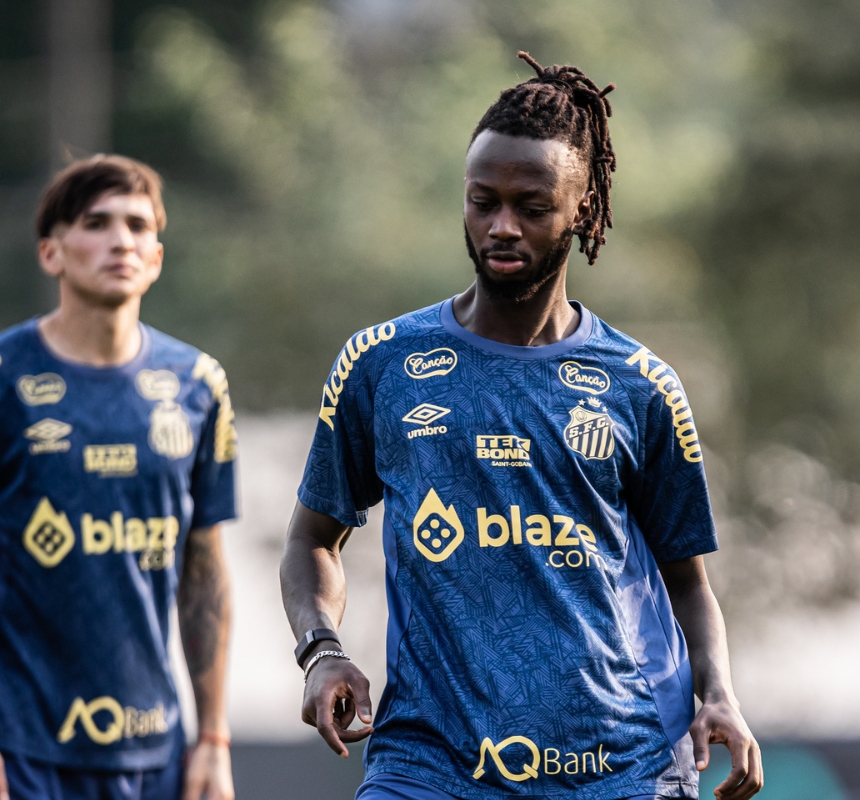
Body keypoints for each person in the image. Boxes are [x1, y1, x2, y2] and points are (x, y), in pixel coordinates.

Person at [280, 52, 763, 800]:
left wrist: (720, 693)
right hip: (429, 763)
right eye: (483, 201)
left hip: (619, 765)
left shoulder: (640, 385)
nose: (501, 226)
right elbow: (313, 539)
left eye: (532, 207)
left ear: (582, 210)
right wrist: (322, 651)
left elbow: (688, 585)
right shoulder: (381, 364)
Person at [0, 155, 238, 800]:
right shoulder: (5, 378)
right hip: (23, 750)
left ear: (156, 257)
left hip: (155, 750)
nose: (120, 240)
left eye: (137, 225)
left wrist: (213, 741)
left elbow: (204, 573)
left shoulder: (197, 384)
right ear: (52, 253)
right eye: (97, 223)